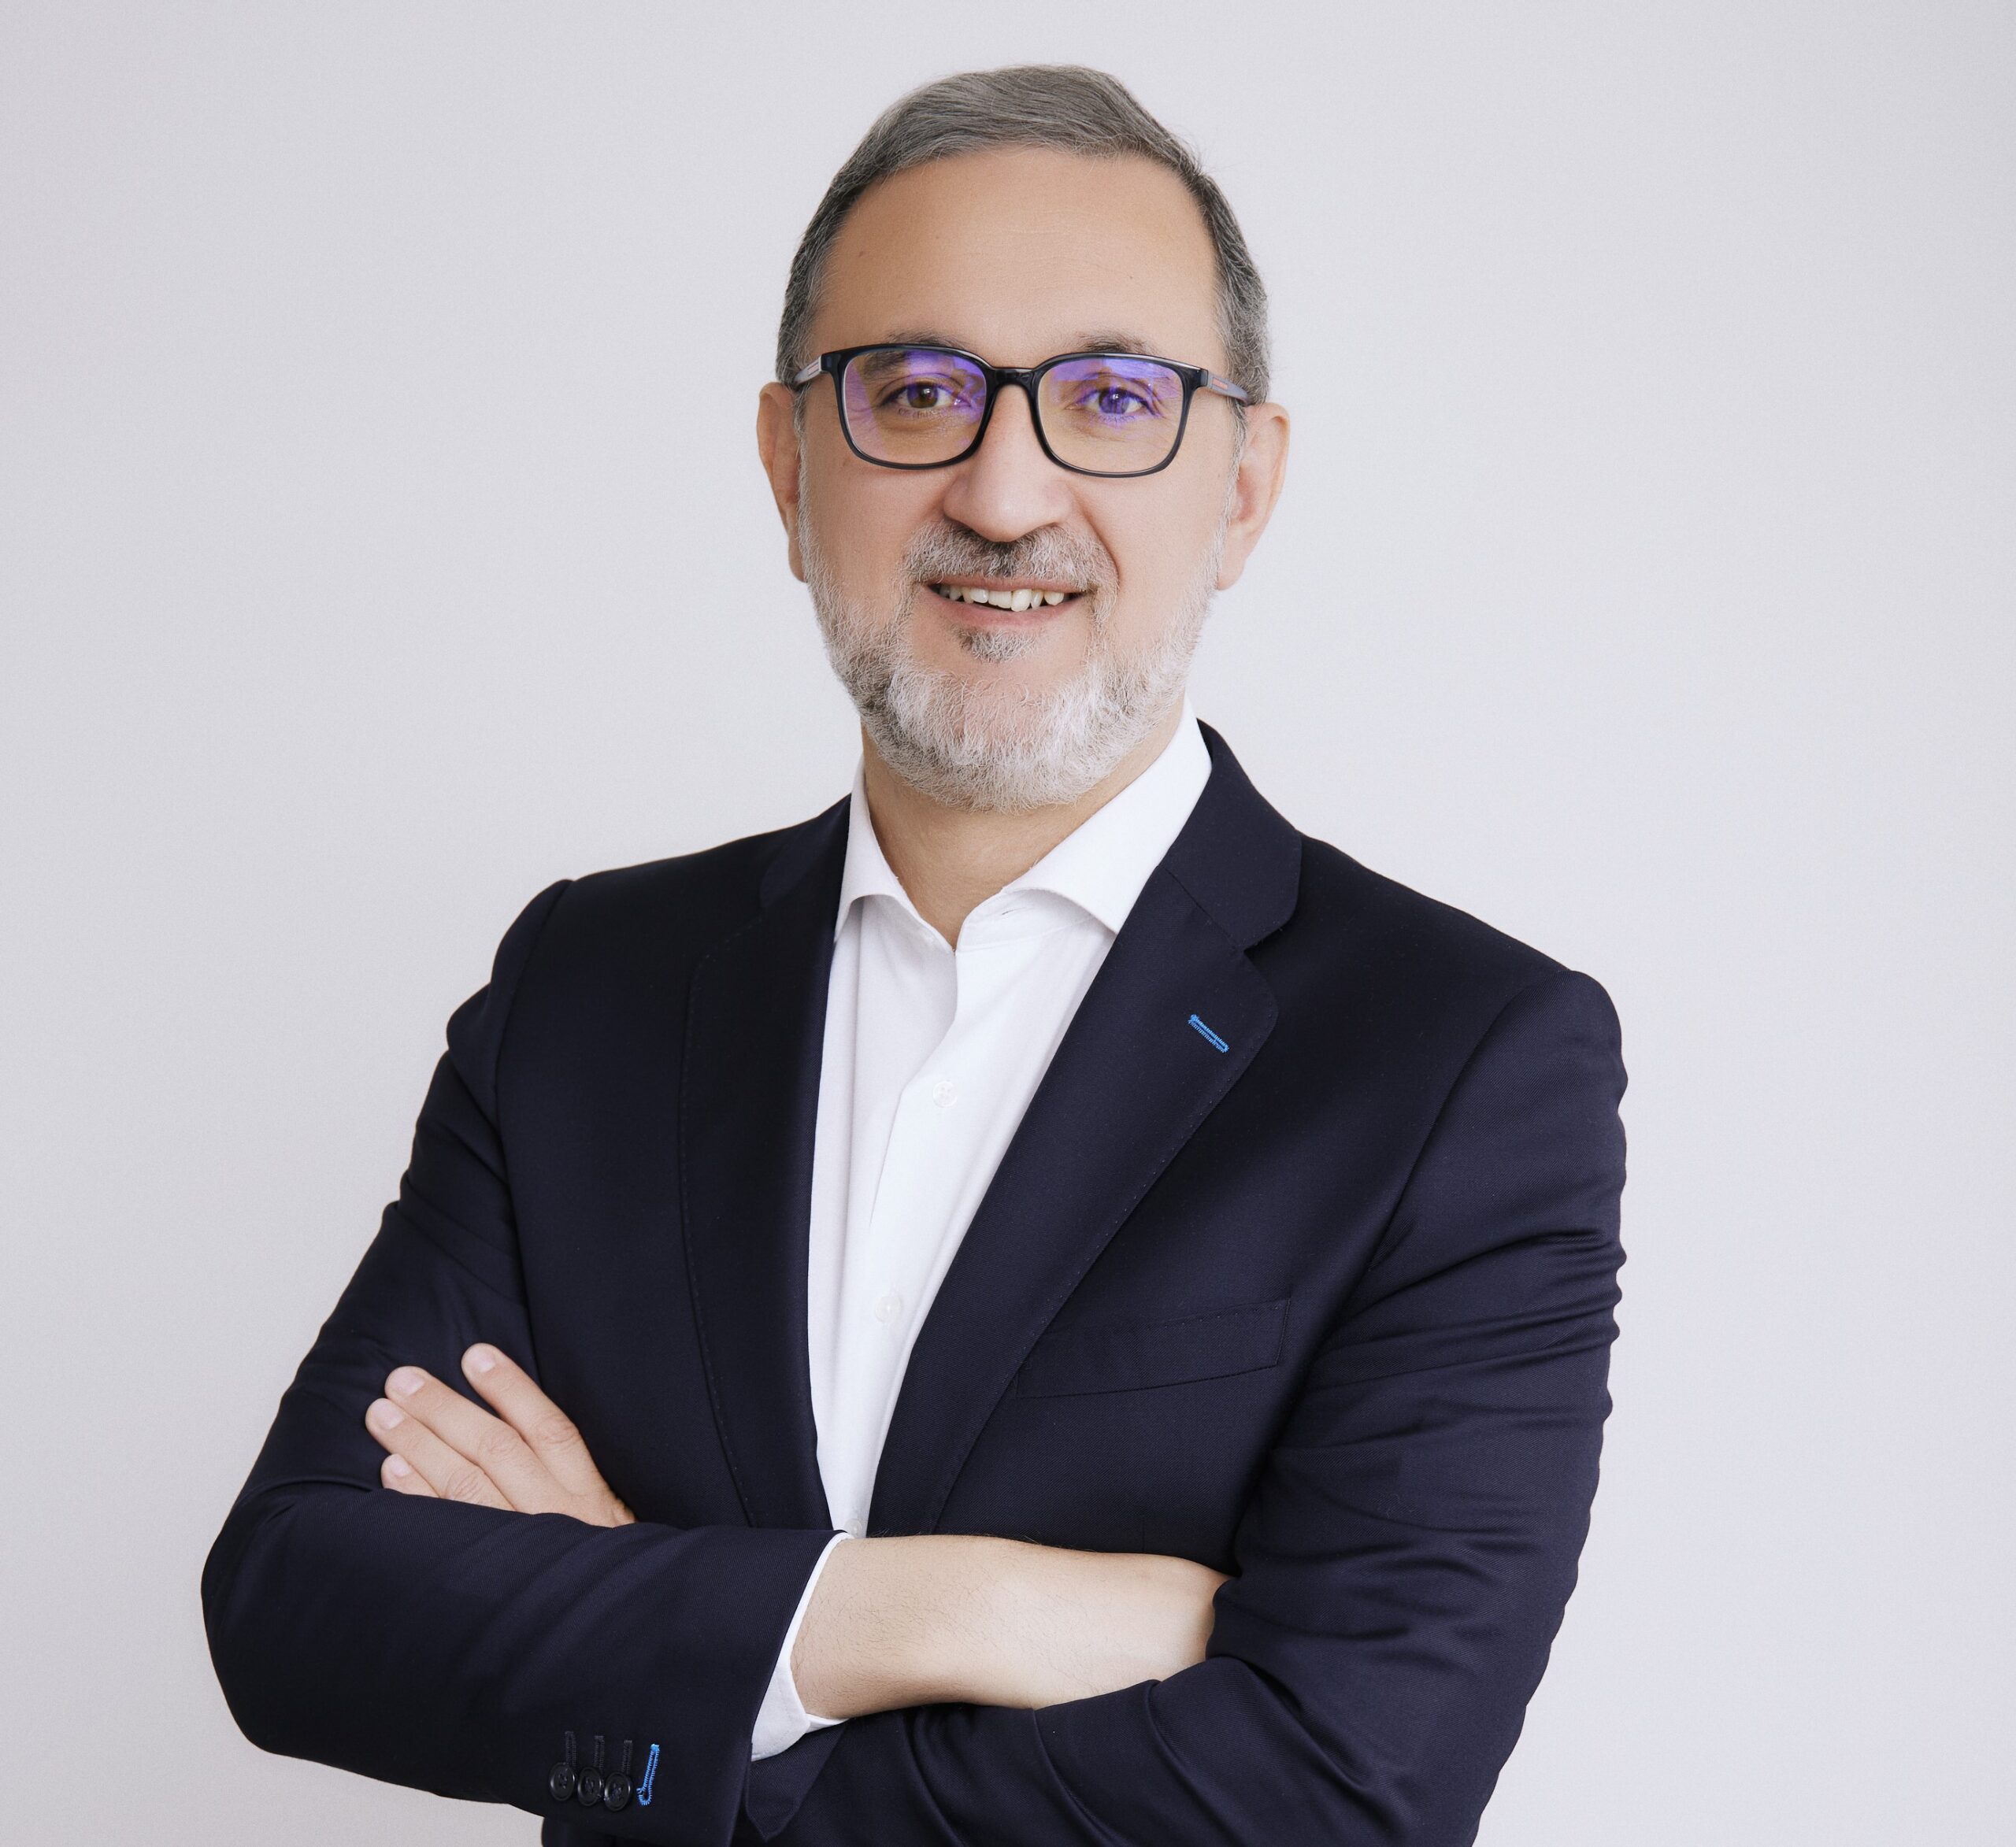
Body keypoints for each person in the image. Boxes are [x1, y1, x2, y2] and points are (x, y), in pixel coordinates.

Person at [203, 64, 1627, 1847]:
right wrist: (940, 1611)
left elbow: (1343, 1789)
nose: (1006, 491)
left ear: (1245, 487)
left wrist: (665, 1645)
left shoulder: (1460, 1060)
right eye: (916, 391)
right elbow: (296, 1603)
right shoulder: (587, 991)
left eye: (1113, 398)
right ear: (788, 465)